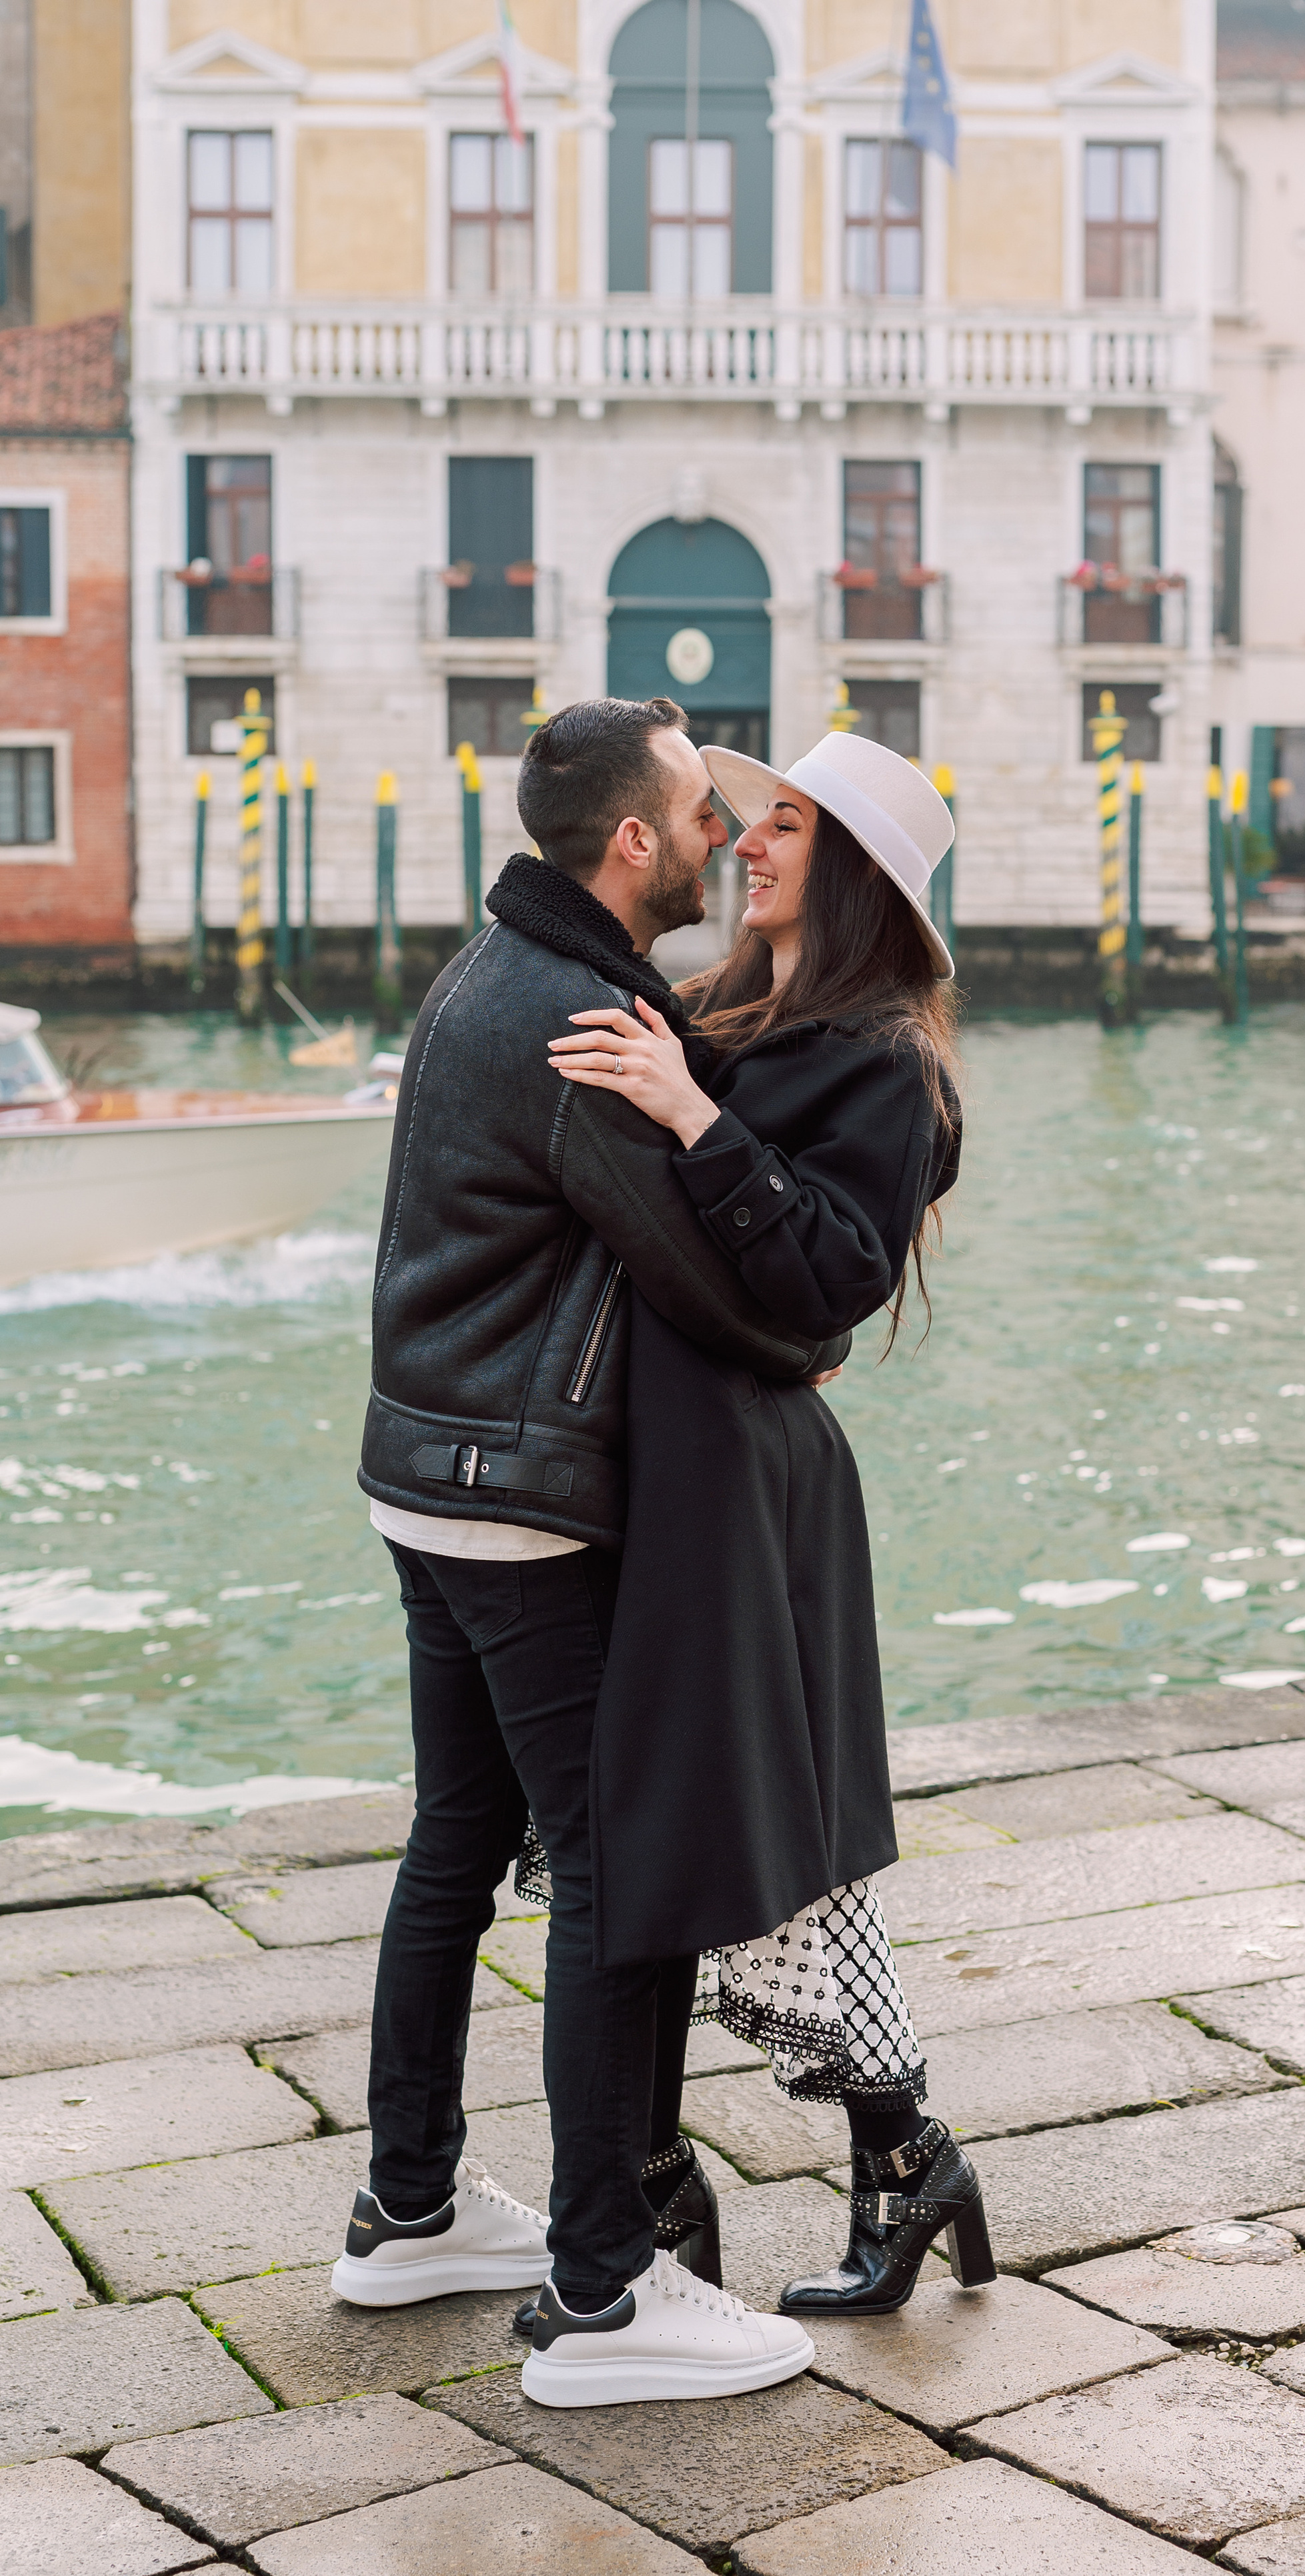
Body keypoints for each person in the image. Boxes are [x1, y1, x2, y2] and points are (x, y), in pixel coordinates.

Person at [335, 697, 847, 2407]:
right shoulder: (577, 1017)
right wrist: (800, 1348)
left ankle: (408, 2208)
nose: (723, 835)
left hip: (422, 1471)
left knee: (456, 1848)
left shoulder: (488, 967)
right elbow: (709, 1282)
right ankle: (604, 2291)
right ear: (632, 841)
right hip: (517, 1498)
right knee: (612, 1872)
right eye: (703, 811)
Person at [521, 727, 995, 2387]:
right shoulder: (722, 1010)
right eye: (759, 817)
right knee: (652, 1834)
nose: (753, 840)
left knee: (770, 1848)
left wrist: (684, 1115)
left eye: (788, 824)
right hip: (659, 1472)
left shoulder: (881, 1061)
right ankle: (648, 2195)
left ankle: (898, 2158)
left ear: (853, 868)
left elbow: (830, 1275)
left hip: (749, 1491)